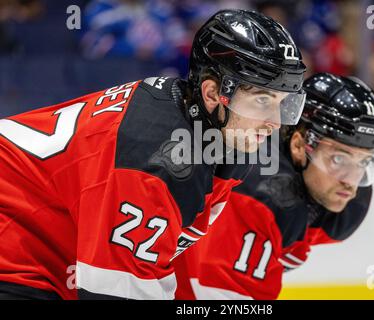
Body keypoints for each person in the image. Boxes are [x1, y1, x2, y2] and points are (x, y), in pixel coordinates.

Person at [0, 9, 306, 300]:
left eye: (284, 103)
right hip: (13, 235)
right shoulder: (155, 162)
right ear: (213, 94)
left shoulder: (215, 133)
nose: (276, 122)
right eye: (263, 100)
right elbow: (115, 292)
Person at [173, 73, 374, 300]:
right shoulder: (260, 196)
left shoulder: (343, 205)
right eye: (339, 159)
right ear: (298, 145)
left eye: (363, 162)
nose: (350, 180)